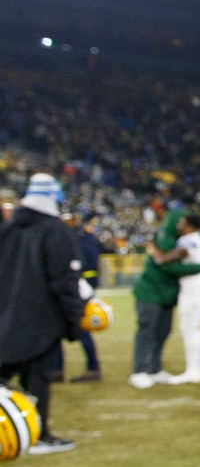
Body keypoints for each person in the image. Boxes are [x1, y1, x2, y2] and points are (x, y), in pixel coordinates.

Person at [0, 173, 84, 454]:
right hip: (40, 321)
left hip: (4, 318)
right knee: (38, 378)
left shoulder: (9, 229)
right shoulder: (56, 231)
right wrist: (74, 322)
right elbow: (65, 282)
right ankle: (38, 435)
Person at [128, 208, 200, 389]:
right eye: (179, 222)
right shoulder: (166, 238)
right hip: (150, 293)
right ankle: (139, 371)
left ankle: (154, 369)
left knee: (162, 332)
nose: (181, 226)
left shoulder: (174, 240)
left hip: (165, 295)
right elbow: (169, 268)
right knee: (147, 332)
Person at [165, 213, 200, 384]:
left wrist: (163, 255)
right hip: (198, 285)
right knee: (195, 328)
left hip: (192, 287)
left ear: (190, 226)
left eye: (182, 223)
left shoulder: (188, 240)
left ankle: (193, 371)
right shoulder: (198, 239)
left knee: (189, 329)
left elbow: (181, 254)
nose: (179, 225)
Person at [62, 212, 105, 383]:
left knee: (82, 329)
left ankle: (93, 368)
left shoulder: (77, 238)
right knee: (53, 333)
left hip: (76, 290)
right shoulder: (73, 237)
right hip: (70, 288)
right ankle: (56, 369)